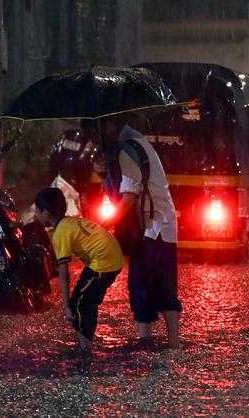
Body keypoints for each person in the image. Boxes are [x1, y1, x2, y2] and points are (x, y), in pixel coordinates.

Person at [93, 115, 182, 348]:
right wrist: (104, 172)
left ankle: (154, 343)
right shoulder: (137, 142)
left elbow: (127, 198)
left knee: (145, 284)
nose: (97, 138)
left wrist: (101, 226)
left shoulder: (127, 150)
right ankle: (167, 344)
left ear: (111, 127)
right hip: (160, 225)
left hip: (153, 228)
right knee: (156, 284)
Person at [33, 187, 124, 353]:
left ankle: (85, 350)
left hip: (104, 263)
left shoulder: (60, 232)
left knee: (78, 304)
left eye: (38, 212)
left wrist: (66, 305)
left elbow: (63, 271)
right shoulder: (71, 222)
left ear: (46, 212)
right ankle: (85, 342)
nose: (37, 216)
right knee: (88, 301)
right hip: (112, 258)